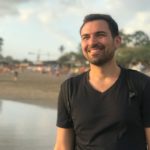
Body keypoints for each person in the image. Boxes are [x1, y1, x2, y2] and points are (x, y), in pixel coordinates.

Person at [54, 14, 150, 150]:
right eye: (85, 37)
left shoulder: (142, 85)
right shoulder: (69, 89)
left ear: (117, 41)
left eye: (100, 35)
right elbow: (62, 146)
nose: (92, 42)